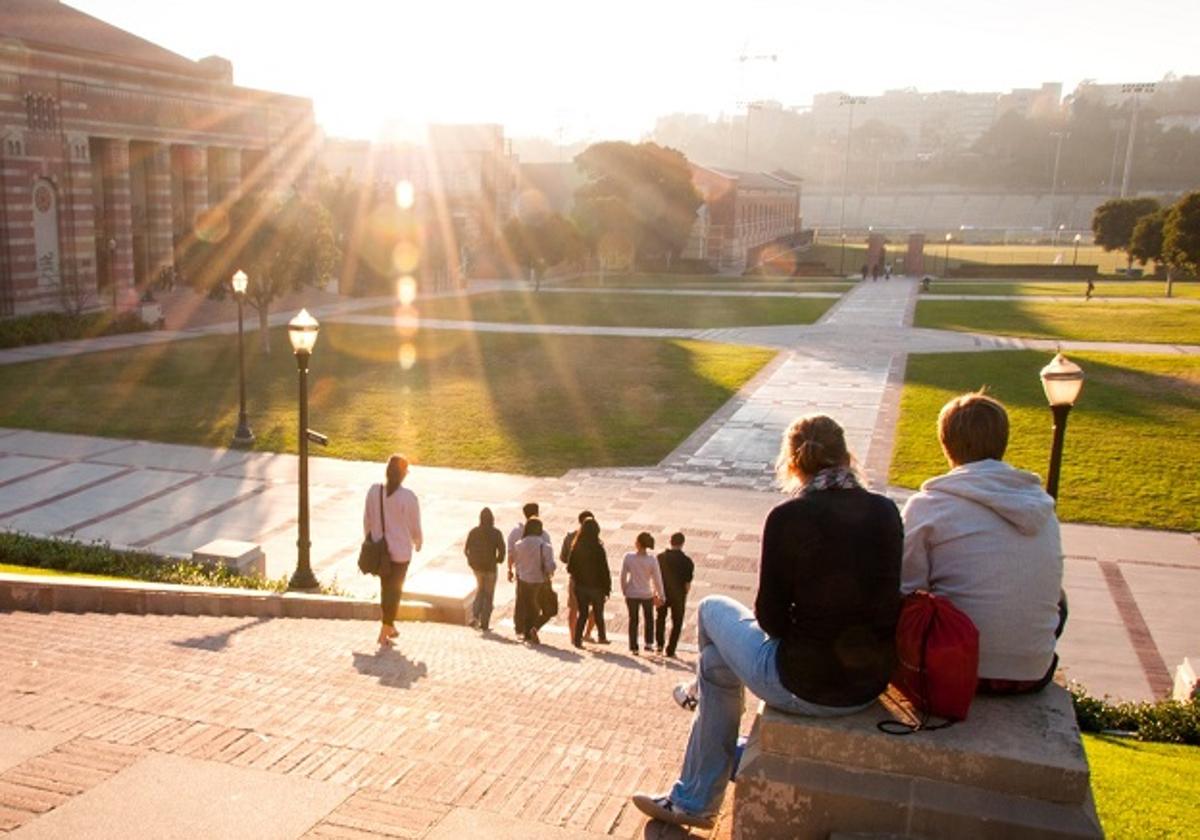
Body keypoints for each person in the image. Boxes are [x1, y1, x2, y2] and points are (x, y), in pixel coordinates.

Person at [632, 415, 902, 830]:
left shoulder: (789, 517)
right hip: (866, 685)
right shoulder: (886, 512)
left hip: (803, 684)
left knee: (710, 609)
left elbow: (771, 621)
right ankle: (692, 797)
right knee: (716, 664)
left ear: (793, 464)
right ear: (848, 457)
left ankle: (694, 717)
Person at [900, 392, 1064, 694]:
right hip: (1033, 672)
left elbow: (908, 588)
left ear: (945, 444)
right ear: (1003, 441)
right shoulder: (1041, 507)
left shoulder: (929, 505)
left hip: (948, 665)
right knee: (1057, 597)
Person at [362, 454, 423, 648]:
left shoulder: (374, 491)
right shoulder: (408, 497)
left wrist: (370, 539)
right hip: (401, 552)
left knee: (385, 588)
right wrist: (418, 541)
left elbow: (367, 519)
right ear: (403, 474)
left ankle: (390, 626)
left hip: (381, 550)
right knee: (395, 591)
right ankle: (384, 630)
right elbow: (415, 525)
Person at [567, 517, 611, 648]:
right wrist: (607, 587)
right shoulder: (598, 548)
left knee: (583, 613)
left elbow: (570, 568)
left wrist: (578, 576)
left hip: (581, 586)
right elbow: (604, 569)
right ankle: (602, 637)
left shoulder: (576, 546)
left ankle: (577, 640)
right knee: (598, 613)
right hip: (597, 586)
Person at [510, 518, 556, 644]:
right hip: (540, 581)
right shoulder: (545, 546)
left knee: (529, 608)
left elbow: (517, 563)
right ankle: (534, 628)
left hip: (524, 579)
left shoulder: (518, 545)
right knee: (549, 609)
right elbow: (550, 566)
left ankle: (527, 634)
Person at [622, 532, 666, 655]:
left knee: (633, 620)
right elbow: (657, 579)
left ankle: (634, 646)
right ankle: (648, 643)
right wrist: (661, 595)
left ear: (638, 543)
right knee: (649, 619)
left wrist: (625, 590)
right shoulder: (652, 559)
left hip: (632, 593)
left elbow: (623, 576)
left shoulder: (628, 557)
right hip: (647, 593)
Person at [464, 507, 505, 632]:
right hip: (491, 567)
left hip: (478, 568)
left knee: (480, 591)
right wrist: (498, 560)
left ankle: (475, 616)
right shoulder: (496, 533)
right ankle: (485, 622)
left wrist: (471, 562)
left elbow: (466, 549)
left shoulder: (474, 532)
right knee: (488, 594)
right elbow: (502, 550)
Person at [654, 532, 694, 658]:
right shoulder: (687, 562)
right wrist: (684, 594)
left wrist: (655, 592)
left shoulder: (660, 558)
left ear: (670, 541)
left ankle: (659, 645)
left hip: (663, 592)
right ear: (682, 543)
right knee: (677, 623)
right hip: (678, 596)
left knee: (660, 619)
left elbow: (655, 578)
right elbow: (687, 584)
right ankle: (671, 649)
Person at [561, 510, 597, 642]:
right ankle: (586, 633)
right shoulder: (596, 540)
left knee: (573, 608)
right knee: (596, 606)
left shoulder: (570, 537)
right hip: (592, 581)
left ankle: (573, 636)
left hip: (575, 578)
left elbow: (563, 557)